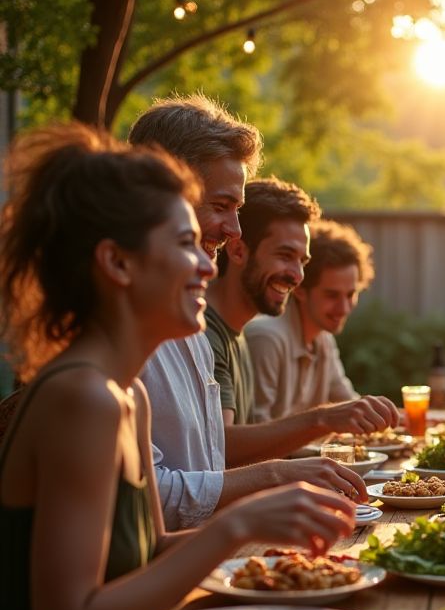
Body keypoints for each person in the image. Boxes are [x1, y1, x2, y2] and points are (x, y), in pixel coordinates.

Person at [0, 124, 356, 610]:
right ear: (116, 262)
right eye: (186, 243)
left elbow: (149, 551)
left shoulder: (127, 394)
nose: (208, 264)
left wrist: (262, 535)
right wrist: (237, 523)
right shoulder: (82, 399)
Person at [129, 96, 370, 529]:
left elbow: (205, 472)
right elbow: (151, 514)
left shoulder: (193, 331)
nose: (232, 234)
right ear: (160, 194)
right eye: (221, 207)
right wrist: (278, 476)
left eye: (236, 211)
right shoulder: (114, 350)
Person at [207, 178, 398, 466]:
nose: (297, 277)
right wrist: (323, 419)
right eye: (285, 256)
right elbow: (221, 452)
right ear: (237, 251)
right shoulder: (216, 334)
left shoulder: (239, 334)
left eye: (302, 262)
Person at [245, 219, 371, 422]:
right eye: (332, 295)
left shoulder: (323, 338)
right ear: (300, 290)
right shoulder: (266, 338)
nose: (344, 308)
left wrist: (400, 419)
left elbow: (348, 404)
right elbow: (256, 430)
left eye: (350, 294)